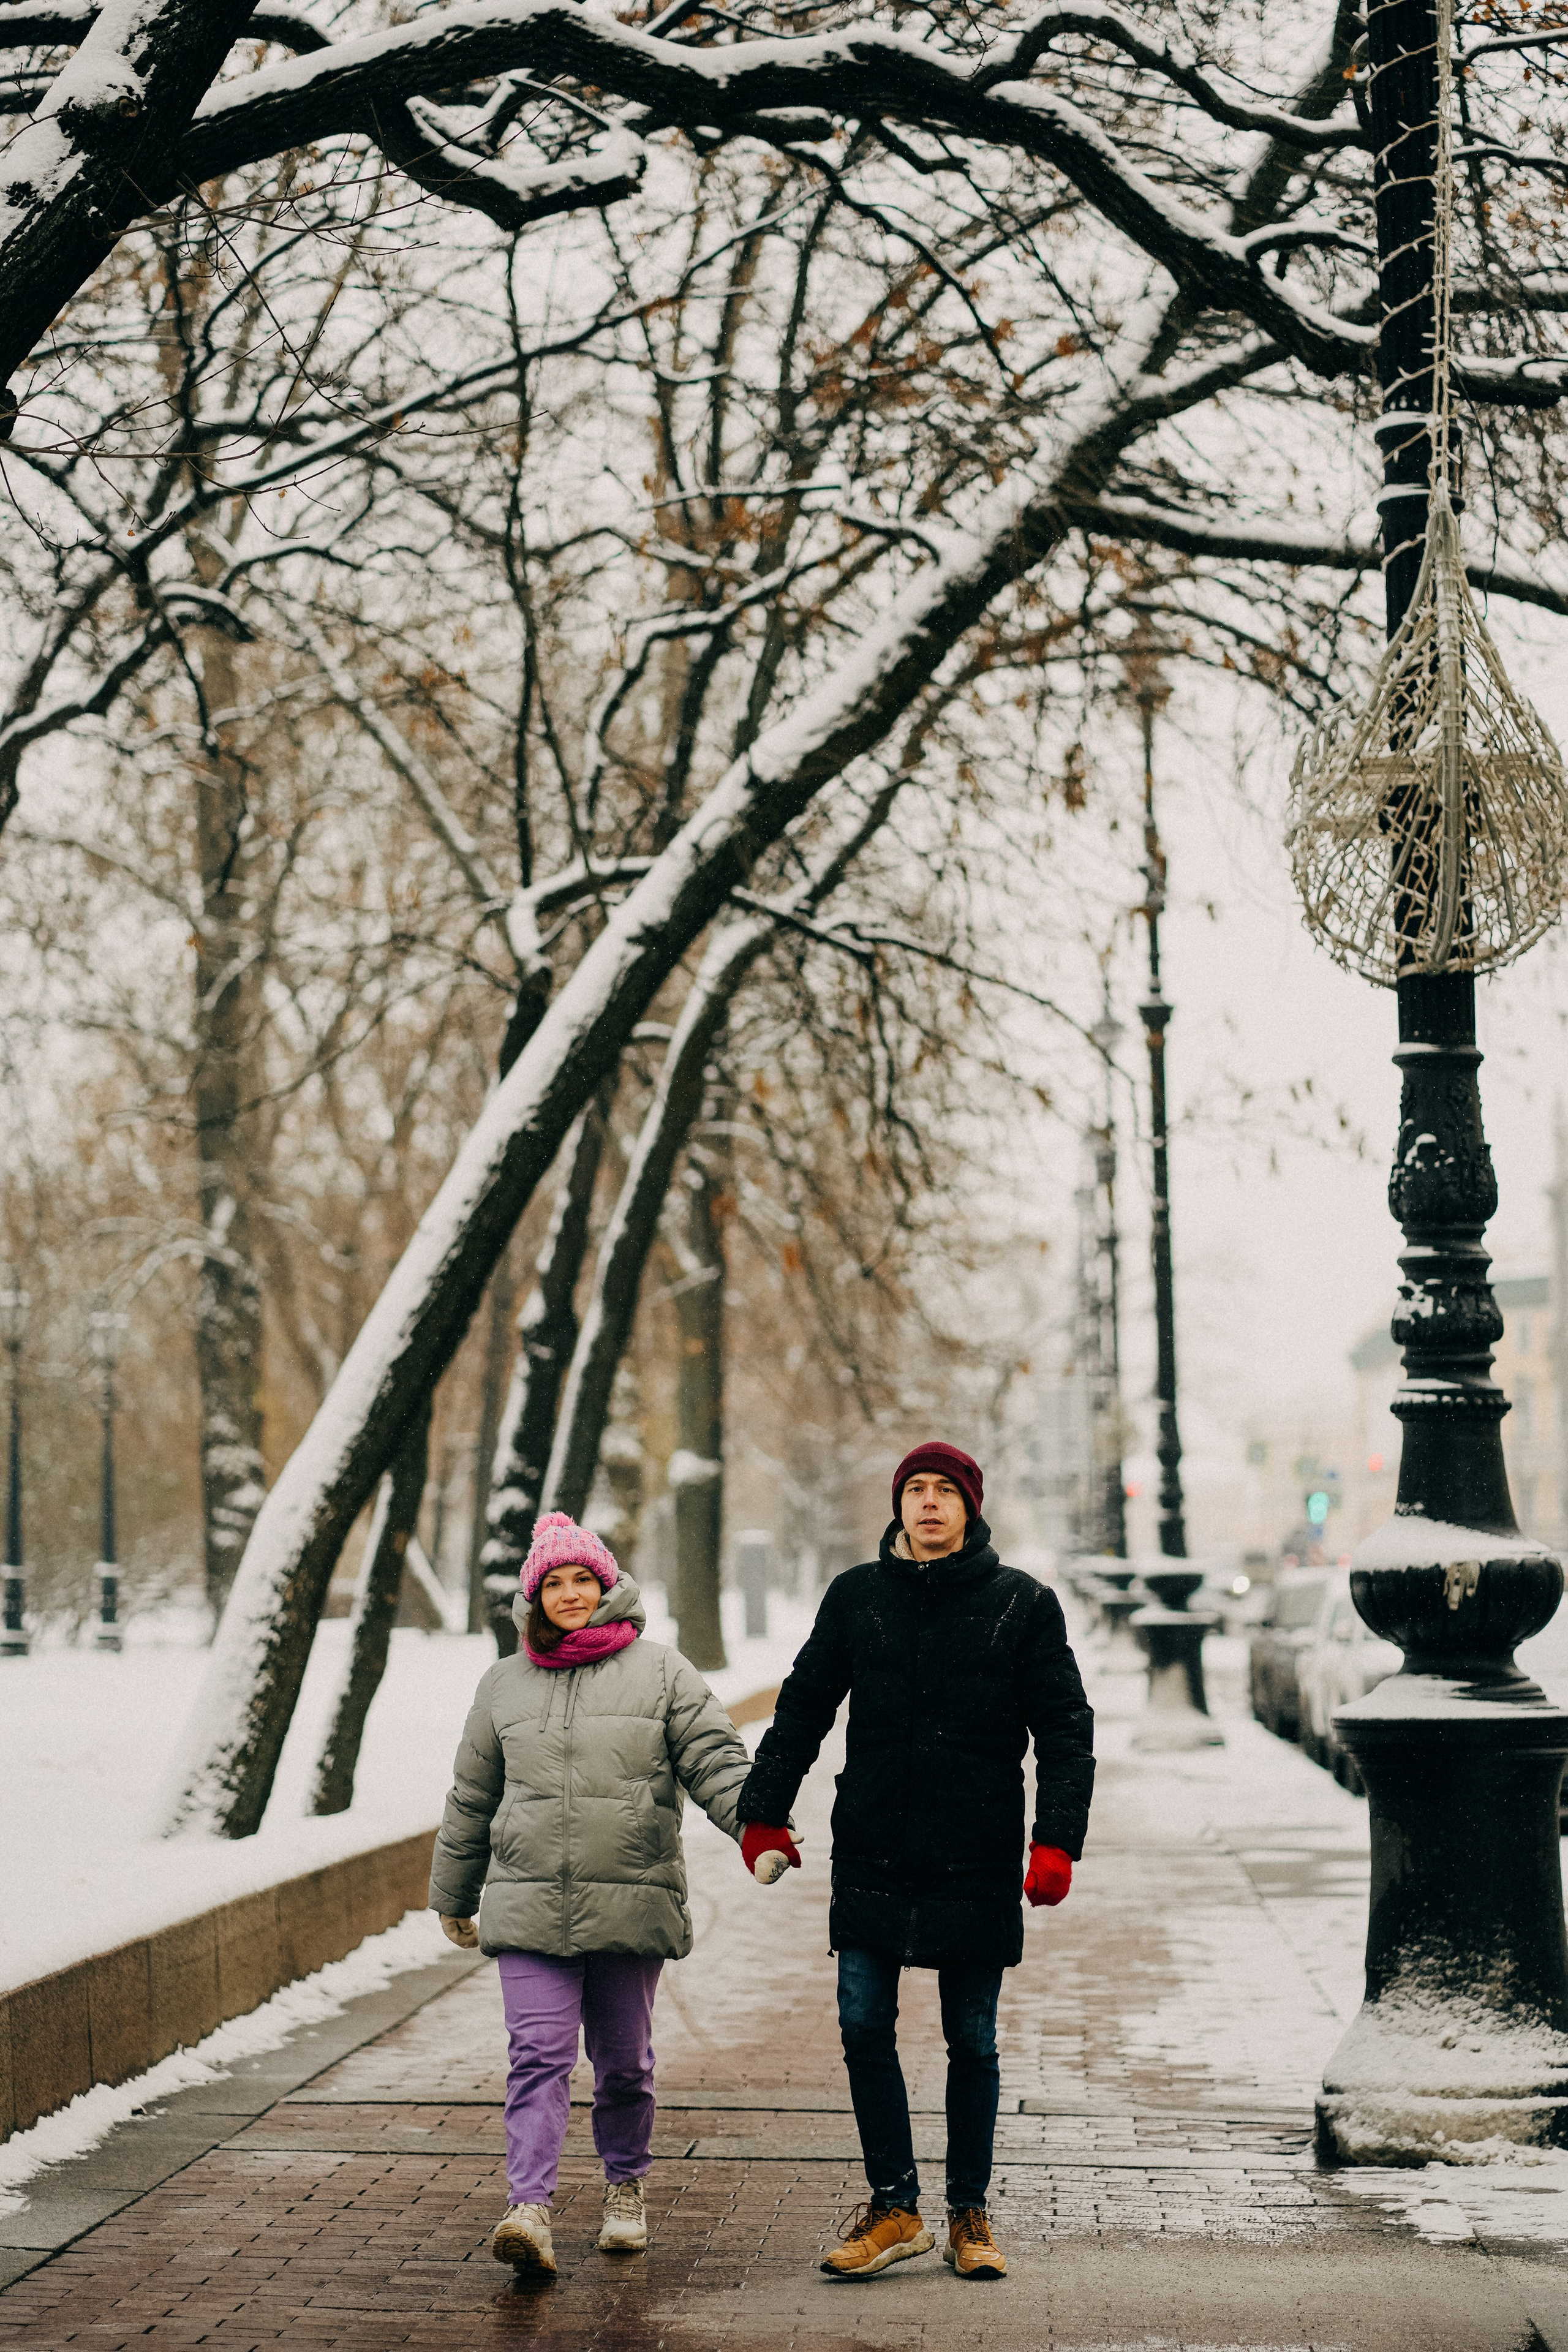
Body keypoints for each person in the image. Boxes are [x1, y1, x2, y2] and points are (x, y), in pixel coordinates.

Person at [736, 1441, 1094, 2282]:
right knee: (864, 2026)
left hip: (975, 1850)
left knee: (971, 2038)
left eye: (946, 1491)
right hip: (873, 1847)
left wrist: (1057, 1842)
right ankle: (896, 2207)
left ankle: (970, 2213)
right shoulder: (857, 1598)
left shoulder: (1022, 1605)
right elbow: (803, 1708)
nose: (929, 1503)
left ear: (971, 1507)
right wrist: (761, 1812)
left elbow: (1067, 1731)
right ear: (898, 1505)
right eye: (916, 1490)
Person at [429, 1510, 754, 2275]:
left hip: (630, 1896)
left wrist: (757, 1828)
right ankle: (529, 2207)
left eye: (584, 1580)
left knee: (623, 2064)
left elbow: (714, 1758)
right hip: (527, 1898)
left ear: (609, 1587)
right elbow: (471, 1796)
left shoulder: (662, 1671)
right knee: (536, 2055)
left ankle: (625, 2188)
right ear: (533, 1597)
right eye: (555, 1584)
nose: (570, 1594)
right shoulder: (503, 1682)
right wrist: (454, 1892)